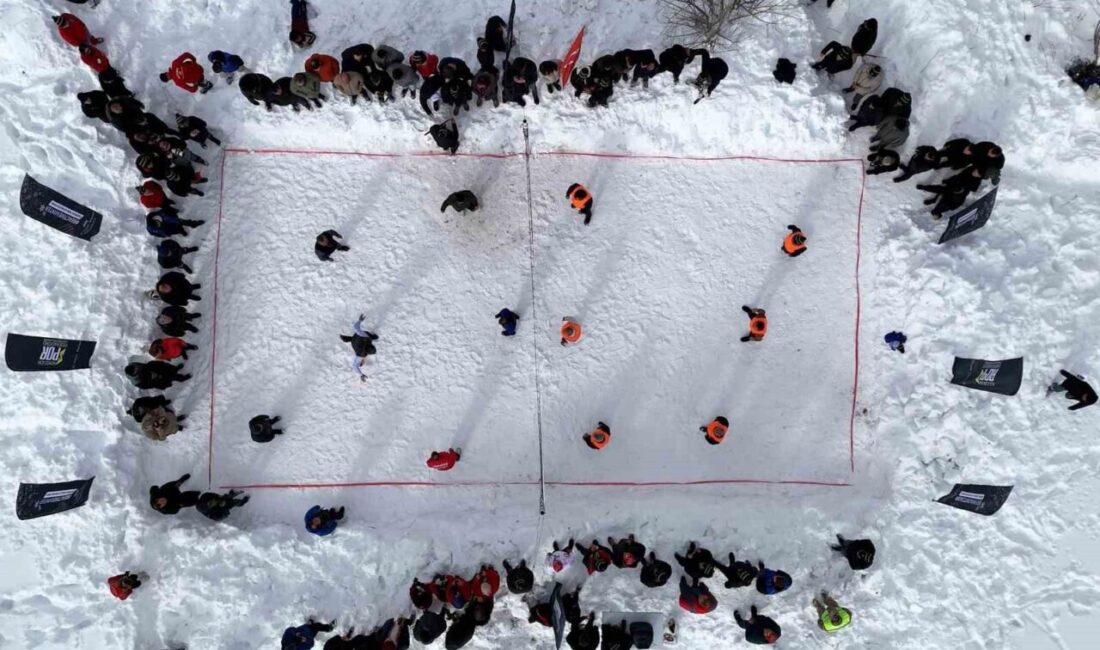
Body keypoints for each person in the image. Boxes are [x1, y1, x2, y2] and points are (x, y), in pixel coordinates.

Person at [339, 315, 379, 381]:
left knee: (372, 337)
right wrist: (360, 320)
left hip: (358, 338)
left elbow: (356, 327)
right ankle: (345, 338)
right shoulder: (359, 354)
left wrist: (360, 320)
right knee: (354, 340)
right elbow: (355, 327)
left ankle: (372, 337)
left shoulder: (363, 337)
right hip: (354, 339)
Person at [125, 361, 189, 390]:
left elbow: (145, 365)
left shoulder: (134, 364)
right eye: (136, 370)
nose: (137, 368)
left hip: (151, 370)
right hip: (154, 380)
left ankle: (175, 369)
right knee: (167, 377)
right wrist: (156, 377)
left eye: (136, 367)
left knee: (164, 367)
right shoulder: (138, 382)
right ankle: (181, 378)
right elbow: (151, 385)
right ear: (134, 374)